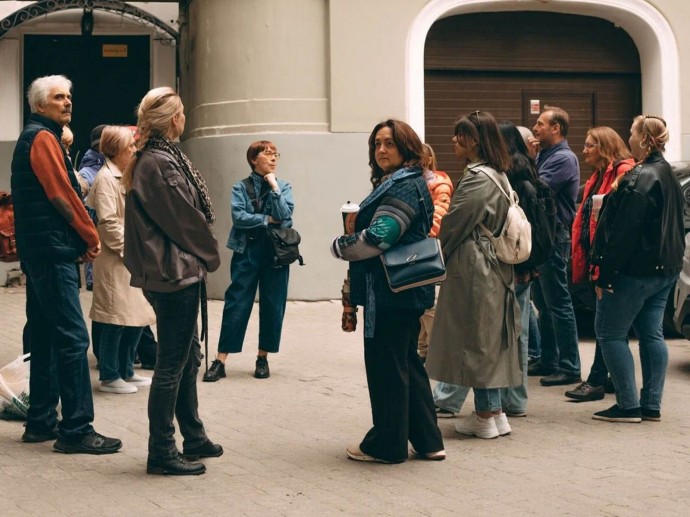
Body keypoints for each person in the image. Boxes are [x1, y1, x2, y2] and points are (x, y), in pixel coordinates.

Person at [10, 74, 121, 454]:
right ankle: (76, 428)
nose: (67, 102)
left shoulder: (41, 137)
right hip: (53, 252)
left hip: (41, 250)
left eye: (69, 96)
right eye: (58, 98)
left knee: (43, 336)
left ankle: (41, 421)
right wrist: (90, 235)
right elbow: (62, 194)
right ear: (40, 106)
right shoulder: (42, 138)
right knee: (74, 339)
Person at [330, 119, 445, 463]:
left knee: (387, 369)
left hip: (391, 294)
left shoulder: (404, 186)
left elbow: (381, 235)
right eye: (377, 144)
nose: (381, 150)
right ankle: (428, 441)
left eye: (389, 144)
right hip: (403, 292)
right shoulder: (401, 182)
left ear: (407, 148)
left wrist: (341, 246)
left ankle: (387, 445)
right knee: (407, 363)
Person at [123, 86, 223, 475]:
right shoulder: (159, 162)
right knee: (172, 364)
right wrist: (210, 254)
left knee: (188, 356)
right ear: (173, 120)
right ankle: (162, 451)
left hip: (171, 270)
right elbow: (183, 219)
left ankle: (193, 435)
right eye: (181, 114)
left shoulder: (157, 157)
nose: (185, 119)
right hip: (174, 272)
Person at [426, 111, 521, 439]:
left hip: (476, 267)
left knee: (477, 340)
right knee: (488, 338)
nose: (454, 140)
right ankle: (494, 412)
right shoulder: (497, 173)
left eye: (460, 135)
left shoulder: (478, 177)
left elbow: (453, 224)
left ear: (475, 140)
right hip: (493, 266)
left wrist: (438, 252)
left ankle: (484, 415)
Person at [590, 115, 684, 423]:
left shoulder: (640, 176)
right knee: (651, 333)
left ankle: (628, 405)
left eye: (631, 133)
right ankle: (651, 405)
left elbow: (623, 232)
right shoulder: (668, 173)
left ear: (643, 139)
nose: (627, 138)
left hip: (636, 271)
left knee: (610, 333)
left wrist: (604, 274)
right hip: (665, 268)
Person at [203, 140, 294, 381]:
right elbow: (239, 217)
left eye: (276, 154)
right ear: (254, 159)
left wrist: (273, 187)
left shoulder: (283, 186)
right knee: (237, 302)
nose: (273, 158)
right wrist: (266, 220)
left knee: (273, 304)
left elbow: (285, 216)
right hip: (247, 251)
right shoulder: (240, 187)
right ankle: (220, 360)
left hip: (276, 253)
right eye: (267, 154)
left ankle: (263, 358)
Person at [565, 127, 635, 402]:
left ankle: (597, 380)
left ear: (605, 147)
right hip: (596, 257)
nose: (584, 151)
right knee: (606, 324)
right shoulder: (598, 175)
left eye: (590, 145)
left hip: (611, 262)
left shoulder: (622, 173)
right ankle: (610, 379)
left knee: (607, 326)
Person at [88, 125, 156, 395]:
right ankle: (110, 375)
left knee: (136, 316)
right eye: (130, 146)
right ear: (116, 150)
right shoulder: (106, 178)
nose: (134, 150)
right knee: (115, 318)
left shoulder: (126, 174)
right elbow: (107, 222)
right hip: (117, 258)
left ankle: (126, 370)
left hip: (133, 256)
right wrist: (130, 252)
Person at [527, 106, 582, 386]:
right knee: (543, 303)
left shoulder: (563, 158)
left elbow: (537, 190)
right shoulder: (546, 156)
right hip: (543, 236)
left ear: (556, 128)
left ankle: (570, 366)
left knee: (558, 303)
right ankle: (549, 360)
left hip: (554, 236)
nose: (535, 129)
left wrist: (529, 161)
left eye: (540, 124)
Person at [417, 143, 453, 363]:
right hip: (418, 246)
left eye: (421, 158)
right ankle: (422, 348)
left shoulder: (439, 183)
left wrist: (426, 236)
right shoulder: (412, 181)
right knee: (419, 301)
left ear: (429, 159)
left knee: (429, 302)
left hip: (428, 246)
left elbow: (440, 211)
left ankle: (431, 349)